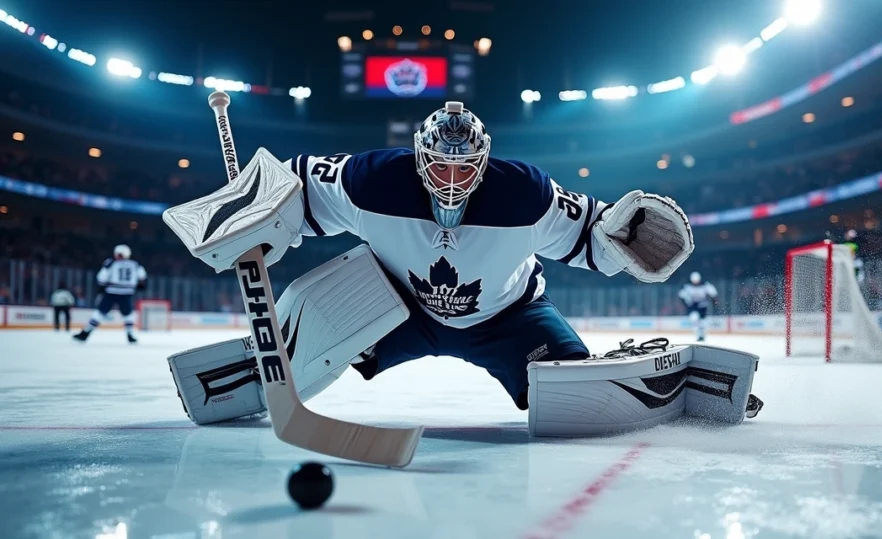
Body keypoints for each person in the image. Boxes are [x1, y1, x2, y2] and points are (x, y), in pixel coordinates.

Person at [167, 100, 764, 433]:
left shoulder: (524, 193)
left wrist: (622, 235)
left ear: (484, 162)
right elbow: (295, 185)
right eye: (440, 165)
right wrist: (253, 213)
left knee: (571, 401)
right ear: (419, 156)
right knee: (310, 336)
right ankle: (267, 365)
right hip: (392, 306)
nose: (452, 180)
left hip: (510, 317)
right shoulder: (372, 180)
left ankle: (654, 382)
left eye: (465, 167)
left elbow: (589, 231)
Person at [74, 244, 148, 344]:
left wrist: (101, 286)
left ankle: (85, 333)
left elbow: (101, 277)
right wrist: (139, 285)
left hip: (111, 291)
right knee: (128, 314)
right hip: (127, 293)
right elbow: (142, 276)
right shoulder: (135, 264)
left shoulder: (111, 263)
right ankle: (130, 335)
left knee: (100, 312)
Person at [678, 271, 717, 342]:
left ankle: (702, 335)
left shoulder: (705, 285)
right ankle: (698, 334)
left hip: (703, 306)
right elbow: (681, 295)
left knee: (703, 322)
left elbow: (713, 294)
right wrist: (686, 304)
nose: (695, 283)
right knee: (694, 318)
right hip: (693, 306)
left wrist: (714, 302)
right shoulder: (688, 287)